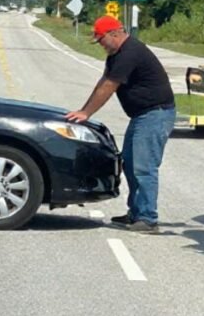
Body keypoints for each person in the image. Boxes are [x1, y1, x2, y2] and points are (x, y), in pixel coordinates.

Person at [65, 15, 175, 233]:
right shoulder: (116, 55)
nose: (101, 45)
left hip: (155, 114)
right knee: (130, 163)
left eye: (102, 40)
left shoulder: (130, 52)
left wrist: (86, 112)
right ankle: (136, 213)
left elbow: (109, 87)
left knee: (144, 167)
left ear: (115, 33)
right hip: (142, 115)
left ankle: (147, 218)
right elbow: (103, 81)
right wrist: (82, 109)